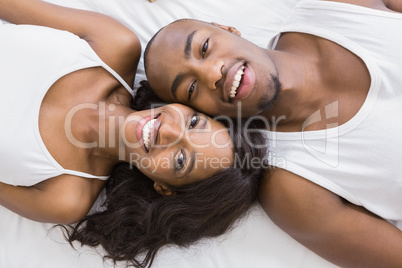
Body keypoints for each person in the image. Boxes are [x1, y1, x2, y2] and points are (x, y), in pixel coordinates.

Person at [0, 1, 267, 267]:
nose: (170, 130)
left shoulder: (65, 197)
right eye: (194, 122)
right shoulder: (114, 45)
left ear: (164, 189)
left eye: (180, 160)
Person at [142, 0, 402, 267]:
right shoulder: (291, 188)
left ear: (226, 28)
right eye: (192, 88)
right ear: (201, 113)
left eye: (204, 48)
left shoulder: (332, 7)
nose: (212, 73)